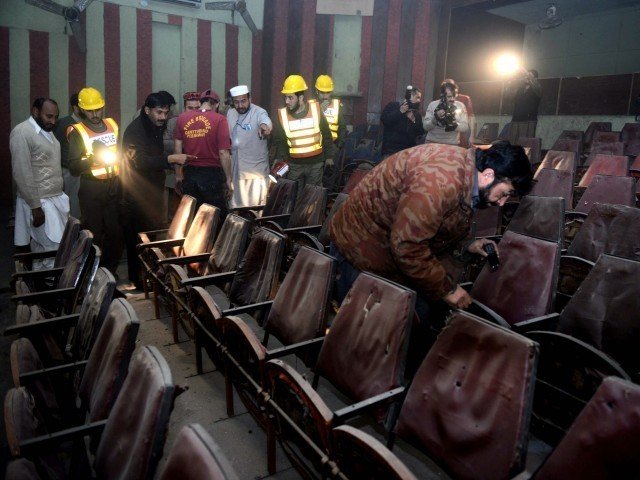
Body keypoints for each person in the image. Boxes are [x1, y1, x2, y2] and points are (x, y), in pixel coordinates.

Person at [329, 141, 532, 315]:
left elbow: (437, 221)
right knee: (364, 337)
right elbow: (407, 246)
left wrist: (467, 244)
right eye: (505, 193)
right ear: (488, 175)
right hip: (359, 250)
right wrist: (448, 290)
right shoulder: (440, 181)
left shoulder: (465, 169)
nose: (502, 203)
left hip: (383, 243)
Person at [121, 92, 195, 289]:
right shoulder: (136, 130)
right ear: (147, 110)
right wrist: (170, 159)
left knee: (151, 237)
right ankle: (139, 282)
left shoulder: (154, 126)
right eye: (159, 112)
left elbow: (155, 156)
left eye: (166, 113)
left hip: (151, 192)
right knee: (138, 240)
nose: (163, 117)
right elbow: (138, 162)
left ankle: (148, 279)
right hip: (135, 195)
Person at [67, 87, 123, 275]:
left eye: (98, 109)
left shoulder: (112, 125)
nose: (95, 114)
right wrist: (93, 159)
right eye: (90, 110)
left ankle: (110, 272)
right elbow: (74, 166)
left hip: (113, 186)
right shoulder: (78, 131)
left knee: (115, 234)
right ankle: (92, 275)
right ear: (81, 109)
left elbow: (119, 151)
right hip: (91, 189)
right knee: (95, 234)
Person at [10, 98, 69, 268]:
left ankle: (42, 290)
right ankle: (53, 289)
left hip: (54, 199)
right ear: (35, 112)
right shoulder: (22, 132)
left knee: (42, 251)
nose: (53, 121)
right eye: (49, 116)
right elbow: (21, 173)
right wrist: (36, 207)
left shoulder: (47, 131)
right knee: (53, 249)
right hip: (40, 203)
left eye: (55, 117)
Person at [174, 88, 232, 215]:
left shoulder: (182, 118)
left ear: (200, 102)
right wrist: (228, 178)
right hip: (211, 175)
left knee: (193, 215)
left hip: (190, 173)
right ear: (216, 104)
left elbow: (178, 149)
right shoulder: (220, 119)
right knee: (214, 216)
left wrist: (178, 175)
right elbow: (223, 152)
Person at [272, 74, 335, 189]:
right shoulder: (282, 115)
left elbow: (326, 135)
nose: (287, 101)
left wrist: (329, 157)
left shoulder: (316, 110)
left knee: (313, 197)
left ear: (300, 98)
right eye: (285, 97)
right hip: (294, 165)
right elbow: (280, 141)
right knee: (294, 197)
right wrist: (281, 160)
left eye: (290, 97)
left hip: (315, 164)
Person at [226, 84, 272, 208]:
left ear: (250, 99)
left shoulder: (258, 112)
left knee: (256, 211)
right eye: (236, 102)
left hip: (255, 174)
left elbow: (265, 120)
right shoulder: (230, 113)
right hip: (236, 172)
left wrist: (265, 127)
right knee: (236, 210)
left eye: (243, 101)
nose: (240, 106)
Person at [53, 93, 81, 218]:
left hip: (81, 169)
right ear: (75, 108)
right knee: (71, 204)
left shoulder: (87, 124)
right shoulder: (64, 124)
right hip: (69, 171)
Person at [380, 85, 425, 157]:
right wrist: (400, 111)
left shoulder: (416, 114)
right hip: (391, 151)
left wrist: (413, 120)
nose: (419, 100)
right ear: (410, 96)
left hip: (408, 152)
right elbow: (384, 120)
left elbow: (420, 132)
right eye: (418, 97)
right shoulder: (393, 106)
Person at [423, 80, 469, 146]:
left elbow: (465, 127)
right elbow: (425, 127)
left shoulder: (460, 106)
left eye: (454, 96)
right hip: (432, 143)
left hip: (452, 144)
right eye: (449, 96)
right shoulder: (432, 105)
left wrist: (453, 123)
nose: (452, 99)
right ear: (442, 95)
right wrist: (435, 119)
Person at [505, 68, 541, 144]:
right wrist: (509, 81)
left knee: (526, 144)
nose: (527, 77)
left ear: (535, 78)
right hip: (516, 120)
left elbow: (536, 84)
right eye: (525, 76)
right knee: (512, 143)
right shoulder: (519, 90)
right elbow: (508, 96)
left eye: (530, 76)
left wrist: (525, 71)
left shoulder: (537, 89)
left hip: (529, 121)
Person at [315, 75, 347, 151]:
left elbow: (343, 128)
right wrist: (319, 110)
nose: (325, 96)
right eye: (322, 93)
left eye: (328, 93)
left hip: (332, 145)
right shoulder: (312, 106)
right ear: (317, 91)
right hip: (315, 146)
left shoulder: (337, 106)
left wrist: (338, 146)